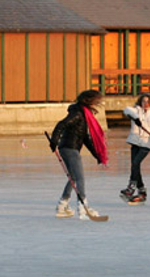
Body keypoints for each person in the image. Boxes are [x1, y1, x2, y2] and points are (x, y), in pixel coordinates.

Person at [49, 89, 108, 220]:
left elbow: (85, 138)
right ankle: (83, 208)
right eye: (96, 101)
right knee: (79, 178)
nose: (97, 104)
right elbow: (61, 124)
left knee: (73, 178)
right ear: (89, 101)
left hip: (69, 148)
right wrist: (54, 141)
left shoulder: (83, 114)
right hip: (70, 149)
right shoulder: (78, 114)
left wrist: (96, 154)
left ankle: (62, 206)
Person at [119, 93, 150, 205]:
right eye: (144, 101)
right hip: (135, 142)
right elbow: (126, 110)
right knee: (135, 166)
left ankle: (130, 188)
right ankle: (142, 191)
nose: (146, 104)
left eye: (148, 102)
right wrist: (136, 119)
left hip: (146, 144)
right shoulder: (136, 111)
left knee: (135, 163)